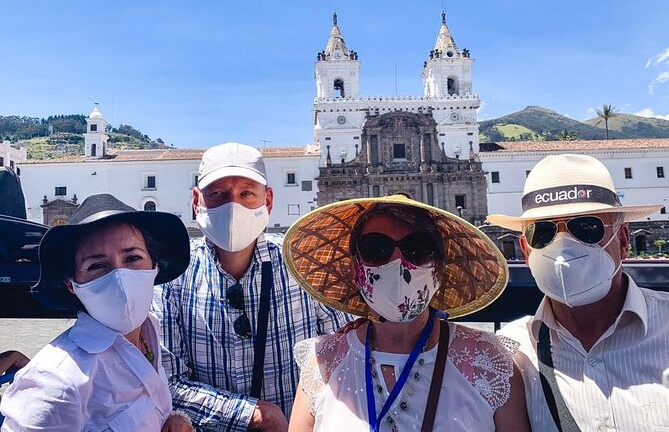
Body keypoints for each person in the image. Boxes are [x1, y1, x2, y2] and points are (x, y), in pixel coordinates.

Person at [285, 195, 531, 431]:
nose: (397, 262)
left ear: (439, 268)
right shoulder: (322, 363)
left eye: (417, 249)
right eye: (375, 249)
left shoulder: (489, 362)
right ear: (355, 267)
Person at [152, 142, 351, 431]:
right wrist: (254, 414)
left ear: (267, 200)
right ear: (196, 201)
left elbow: (347, 358)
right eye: (217, 194)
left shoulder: (306, 267)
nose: (233, 206)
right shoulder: (173, 277)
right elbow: (167, 383)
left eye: (246, 193)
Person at [489, 154, 669, 431]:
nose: (563, 248)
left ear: (622, 240)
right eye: (543, 233)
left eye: (586, 228)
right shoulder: (507, 355)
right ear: (526, 251)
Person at [0, 194, 194, 432]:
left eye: (133, 258)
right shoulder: (54, 382)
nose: (119, 276)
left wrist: (172, 418)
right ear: (72, 283)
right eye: (96, 266)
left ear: (155, 266)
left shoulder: (149, 331)